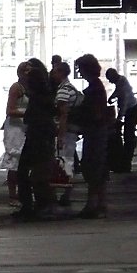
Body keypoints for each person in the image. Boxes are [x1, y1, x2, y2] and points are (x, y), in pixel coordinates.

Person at [13, 63, 58, 221]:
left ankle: (37, 207)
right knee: (34, 174)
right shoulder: (45, 96)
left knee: (32, 174)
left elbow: (32, 117)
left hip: (38, 140)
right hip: (40, 139)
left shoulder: (38, 99)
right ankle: (38, 206)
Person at [74, 53, 113, 219]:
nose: (80, 73)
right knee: (98, 168)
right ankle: (100, 204)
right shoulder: (97, 87)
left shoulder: (93, 90)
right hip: (99, 131)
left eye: (81, 69)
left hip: (95, 133)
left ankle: (93, 204)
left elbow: (94, 113)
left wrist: (77, 115)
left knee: (92, 167)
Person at [50, 61, 82, 205]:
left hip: (66, 130)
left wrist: (60, 134)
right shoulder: (70, 88)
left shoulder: (63, 90)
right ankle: (66, 193)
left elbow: (63, 114)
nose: (52, 73)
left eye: (55, 71)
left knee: (65, 161)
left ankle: (65, 193)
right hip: (71, 129)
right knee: (67, 160)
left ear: (61, 73)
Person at [0, 62, 29, 203]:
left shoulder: (29, 88)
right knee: (14, 161)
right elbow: (10, 110)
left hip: (25, 127)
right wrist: (28, 113)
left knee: (23, 160)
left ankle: (22, 191)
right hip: (15, 128)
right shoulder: (16, 88)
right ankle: (12, 194)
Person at [105, 68, 137, 172]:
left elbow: (124, 101)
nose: (110, 82)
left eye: (110, 79)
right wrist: (112, 97)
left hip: (132, 109)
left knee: (128, 136)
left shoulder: (122, 83)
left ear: (114, 76)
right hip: (132, 109)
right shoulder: (121, 81)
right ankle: (124, 163)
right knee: (127, 135)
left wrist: (120, 117)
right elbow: (118, 92)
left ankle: (126, 163)